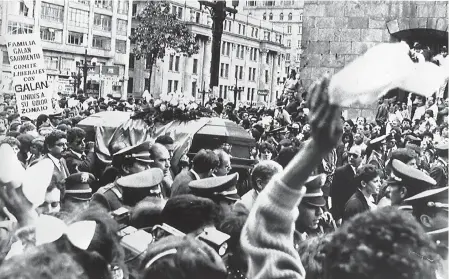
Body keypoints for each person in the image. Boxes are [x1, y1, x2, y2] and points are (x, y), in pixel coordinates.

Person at [92, 168, 164, 211]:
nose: (147, 168)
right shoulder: (104, 195)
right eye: (143, 164)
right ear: (126, 168)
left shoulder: (150, 187)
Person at [330, 145, 362, 221]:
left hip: (359, 213)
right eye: (349, 154)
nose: (351, 157)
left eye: (355, 156)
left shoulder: (364, 171)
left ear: (362, 157)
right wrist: (337, 216)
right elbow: (334, 195)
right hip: (345, 214)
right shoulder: (340, 172)